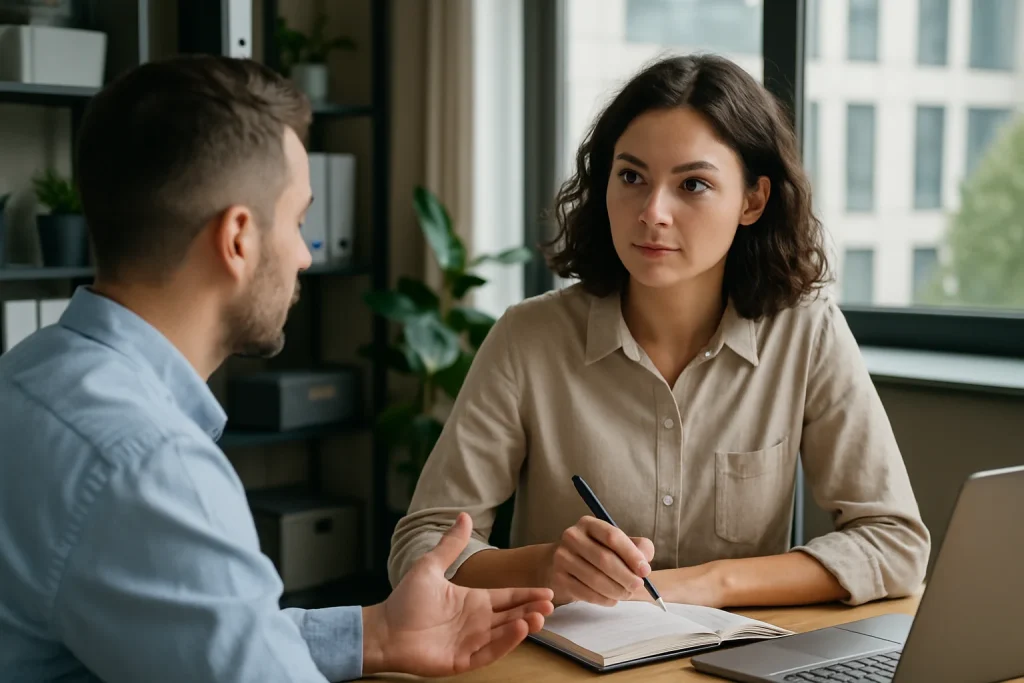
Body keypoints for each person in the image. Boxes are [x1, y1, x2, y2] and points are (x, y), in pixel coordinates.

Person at [0, 55, 553, 683]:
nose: (305, 256)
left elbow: (189, 630)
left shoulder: (29, 373)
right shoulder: (148, 465)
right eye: (296, 221)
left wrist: (377, 632)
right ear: (238, 238)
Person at [388, 54, 931, 611]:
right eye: (631, 177)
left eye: (692, 184)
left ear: (753, 200)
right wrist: (547, 565)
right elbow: (421, 549)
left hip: (732, 663)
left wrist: (710, 583)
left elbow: (894, 543)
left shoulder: (807, 334)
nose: (652, 212)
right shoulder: (529, 338)